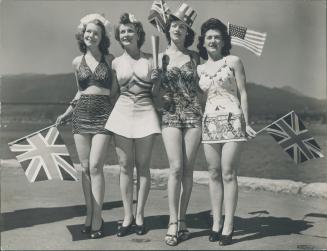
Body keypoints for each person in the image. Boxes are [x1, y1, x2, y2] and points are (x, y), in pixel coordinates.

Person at [196, 18, 256, 245]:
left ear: (223, 41)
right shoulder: (200, 68)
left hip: (233, 121)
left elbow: (243, 93)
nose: (213, 40)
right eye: (209, 37)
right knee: (213, 173)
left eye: (217, 37)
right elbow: (203, 99)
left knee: (228, 172)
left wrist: (246, 122)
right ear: (203, 41)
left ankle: (229, 225)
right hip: (209, 123)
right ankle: (216, 223)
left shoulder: (233, 61)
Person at [56, 13, 115, 239]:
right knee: (85, 168)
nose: (91, 35)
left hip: (103, 116)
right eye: (88, 32)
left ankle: (98, 217)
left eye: (96, 33)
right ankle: (89, 215)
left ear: (102, 38)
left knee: (96, 166)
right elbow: (80, 92)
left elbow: (116, 90)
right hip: (80, 116)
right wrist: (65, 113)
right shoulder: (76, 62)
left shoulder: (110, 60)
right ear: (83, 34)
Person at [105, 13, 161, 237]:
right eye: (122, 32)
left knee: (143, 166)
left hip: (146, 112)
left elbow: (156, 94)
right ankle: (127, 216)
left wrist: (157, 80)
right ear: (119, 36)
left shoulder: (152, 59)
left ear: (138, 34)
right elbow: (112, 94)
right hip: (122, 112)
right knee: (125, 166)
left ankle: (140, 215)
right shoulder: (116, 62)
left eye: (130, 30)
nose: (126, 34)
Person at [155, 3, 202, 246]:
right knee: (175, 167)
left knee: (188, 169)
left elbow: (209, 79)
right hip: (171, 114)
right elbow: (154, 91)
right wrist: (154, 81)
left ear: (187, 33)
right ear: (168, 29)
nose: (177, 30)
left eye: (182, 27)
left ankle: (183, 219)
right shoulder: (160, 57)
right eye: (174, 25)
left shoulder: (195, 57)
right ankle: (173, 221)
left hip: (193, 114)